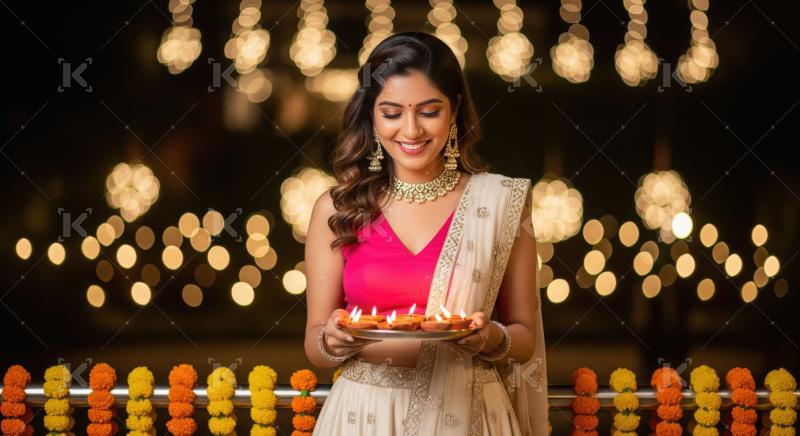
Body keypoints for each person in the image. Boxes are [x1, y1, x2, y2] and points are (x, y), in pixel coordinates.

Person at [304, 32, 549, 436]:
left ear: (453, 110)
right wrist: (331, 341)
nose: (411, 130)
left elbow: (523, 338)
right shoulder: (338, 208)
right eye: (392, 112)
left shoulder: (500, 202)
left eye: (428, 111)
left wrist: (487, 337)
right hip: (364, 416)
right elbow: (315, 344)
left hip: (469, 415)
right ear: (372, 115)